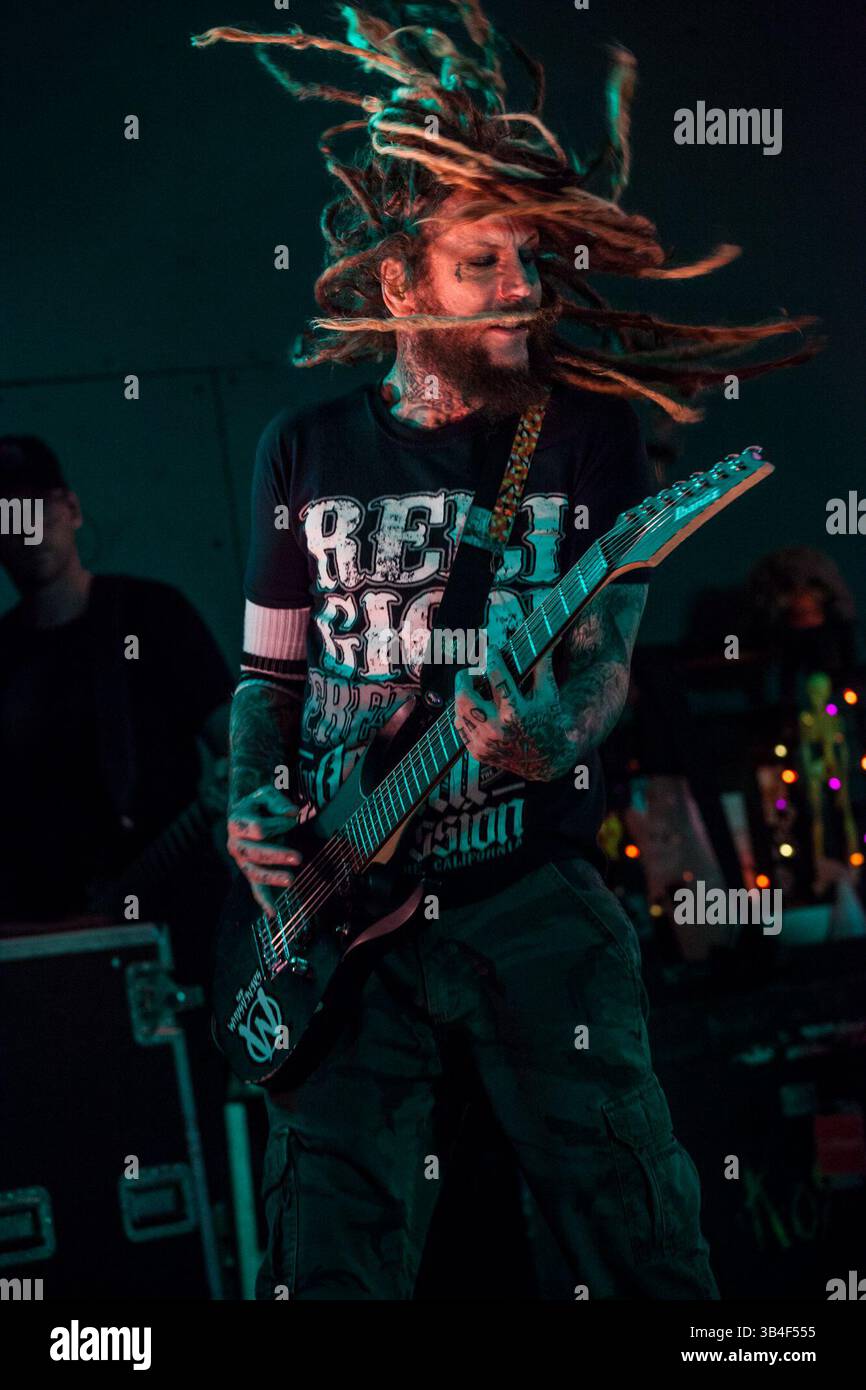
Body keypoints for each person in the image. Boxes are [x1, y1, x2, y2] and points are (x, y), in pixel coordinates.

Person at [195, 0, 819, 1300]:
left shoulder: (581, 434)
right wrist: (254, 805)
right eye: (484, 264)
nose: (521, 290)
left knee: (638, 1235)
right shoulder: (301, 449)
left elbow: (603, 660)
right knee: (333, 1259)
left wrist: (548, 735)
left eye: (530, 262)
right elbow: (266, 680)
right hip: (332, 908)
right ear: (396, 283)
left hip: (530, 896)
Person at [0, 435, 233, 950]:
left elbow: (243, 749)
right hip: (56, 940)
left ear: (72, 509)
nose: (25, 527)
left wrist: (246, 775)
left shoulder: (149, 613)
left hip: (185, 920)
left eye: (36, 506)